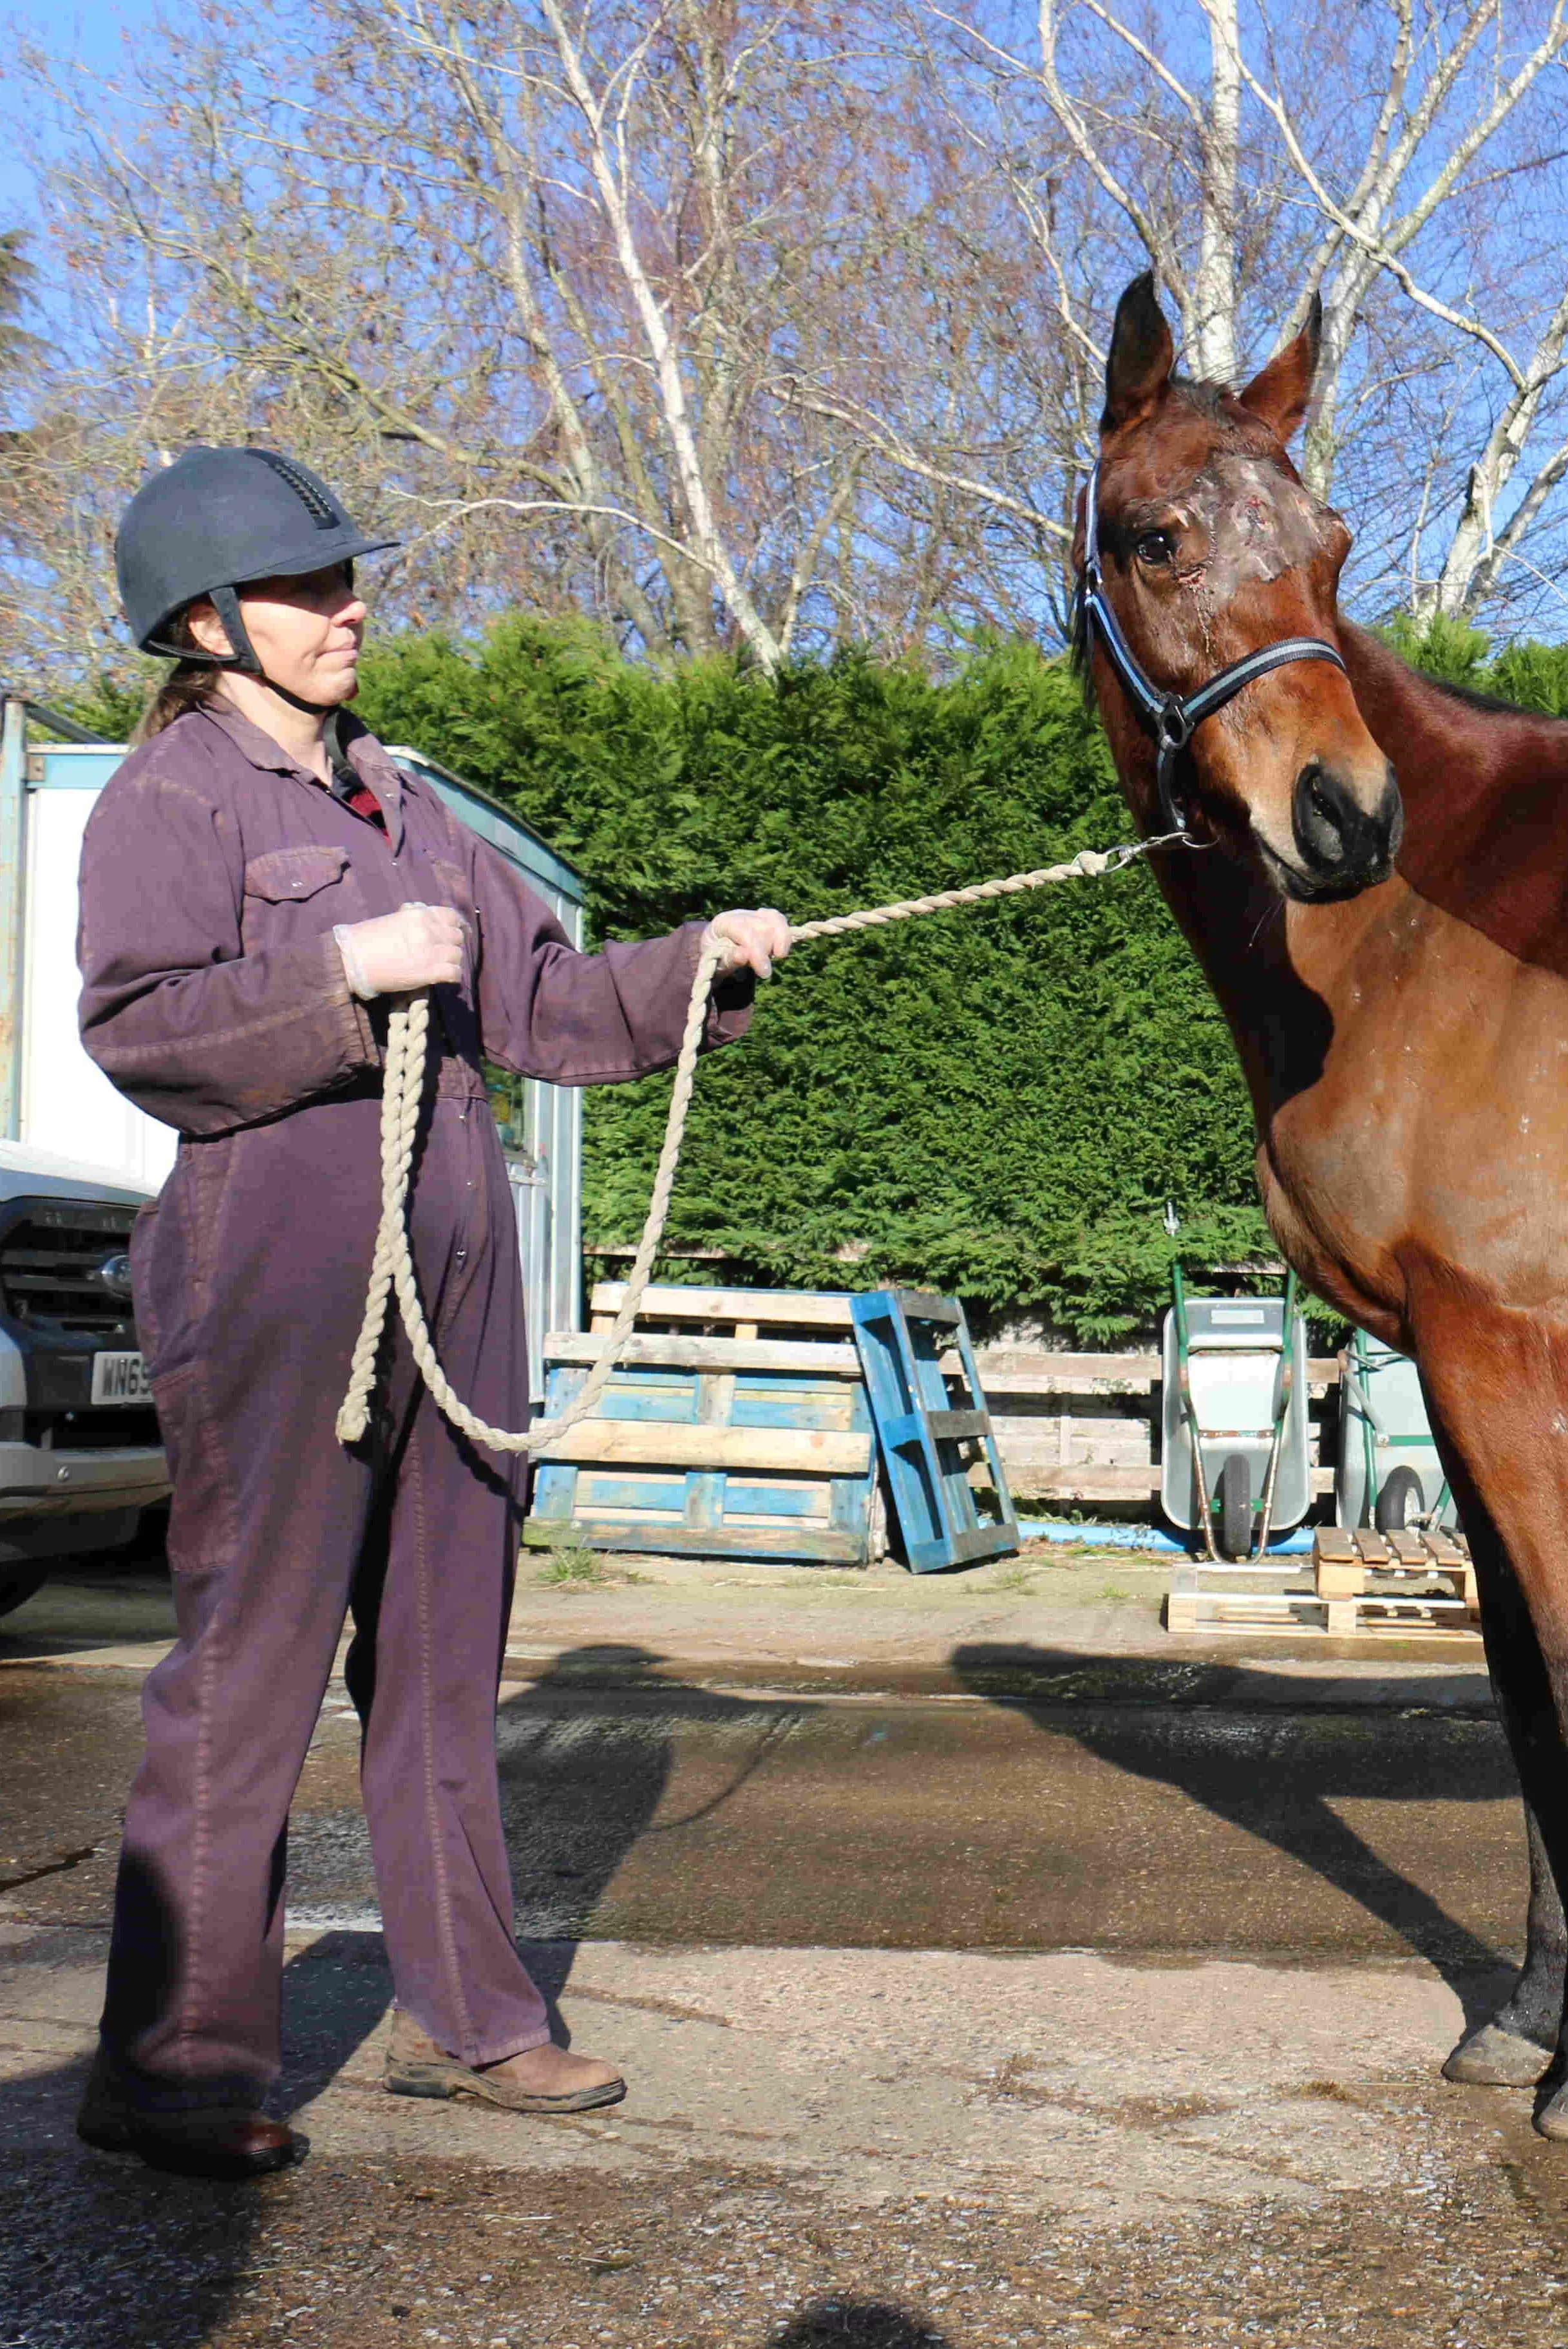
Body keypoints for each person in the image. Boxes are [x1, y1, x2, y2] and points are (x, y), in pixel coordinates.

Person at [72, 445, 789, 2180]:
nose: (349, 609)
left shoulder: (419, 809)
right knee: (245, 1674)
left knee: (445, 1665)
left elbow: (544, 1005)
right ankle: (169, 2063)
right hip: (274, 1285)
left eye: (346, 580)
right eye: (310, 589)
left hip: (461, 1297)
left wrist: (697, 966)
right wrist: (333, 974)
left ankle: (465, 2019)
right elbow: (142, 1027)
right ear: (205, 618)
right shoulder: (171, 801)